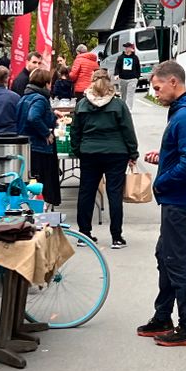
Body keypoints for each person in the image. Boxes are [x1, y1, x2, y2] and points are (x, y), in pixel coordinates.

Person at [138, 60, 186, 347]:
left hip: (180, 198)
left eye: (157, 87)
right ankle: (163, 316)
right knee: (164, 255)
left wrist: (162, 181)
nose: (155, 92)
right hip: (182, 196)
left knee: (176, 261)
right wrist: (164, 155)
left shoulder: (185, 116)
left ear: (173, 82)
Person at [72, 70, 138, 248]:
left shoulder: (82, 105)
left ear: (91, 82)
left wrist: (78, 150)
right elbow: (128, 130)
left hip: (89, 153)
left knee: (86, 192)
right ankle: (116, 237)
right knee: (114, 194)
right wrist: (133, 153)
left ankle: (84, 234)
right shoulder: (118, 105)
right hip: (116, 153)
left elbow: (75, 131)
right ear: (109, 83)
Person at [21, 62, 61, 209]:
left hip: (29, 145)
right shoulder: (39, 99)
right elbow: (33, 117)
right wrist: (46, 133)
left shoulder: (27, 96)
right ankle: (40, 212)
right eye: (50, 83)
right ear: (45, 83)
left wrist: (51, 114)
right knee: (40, 184)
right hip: (39, 147)